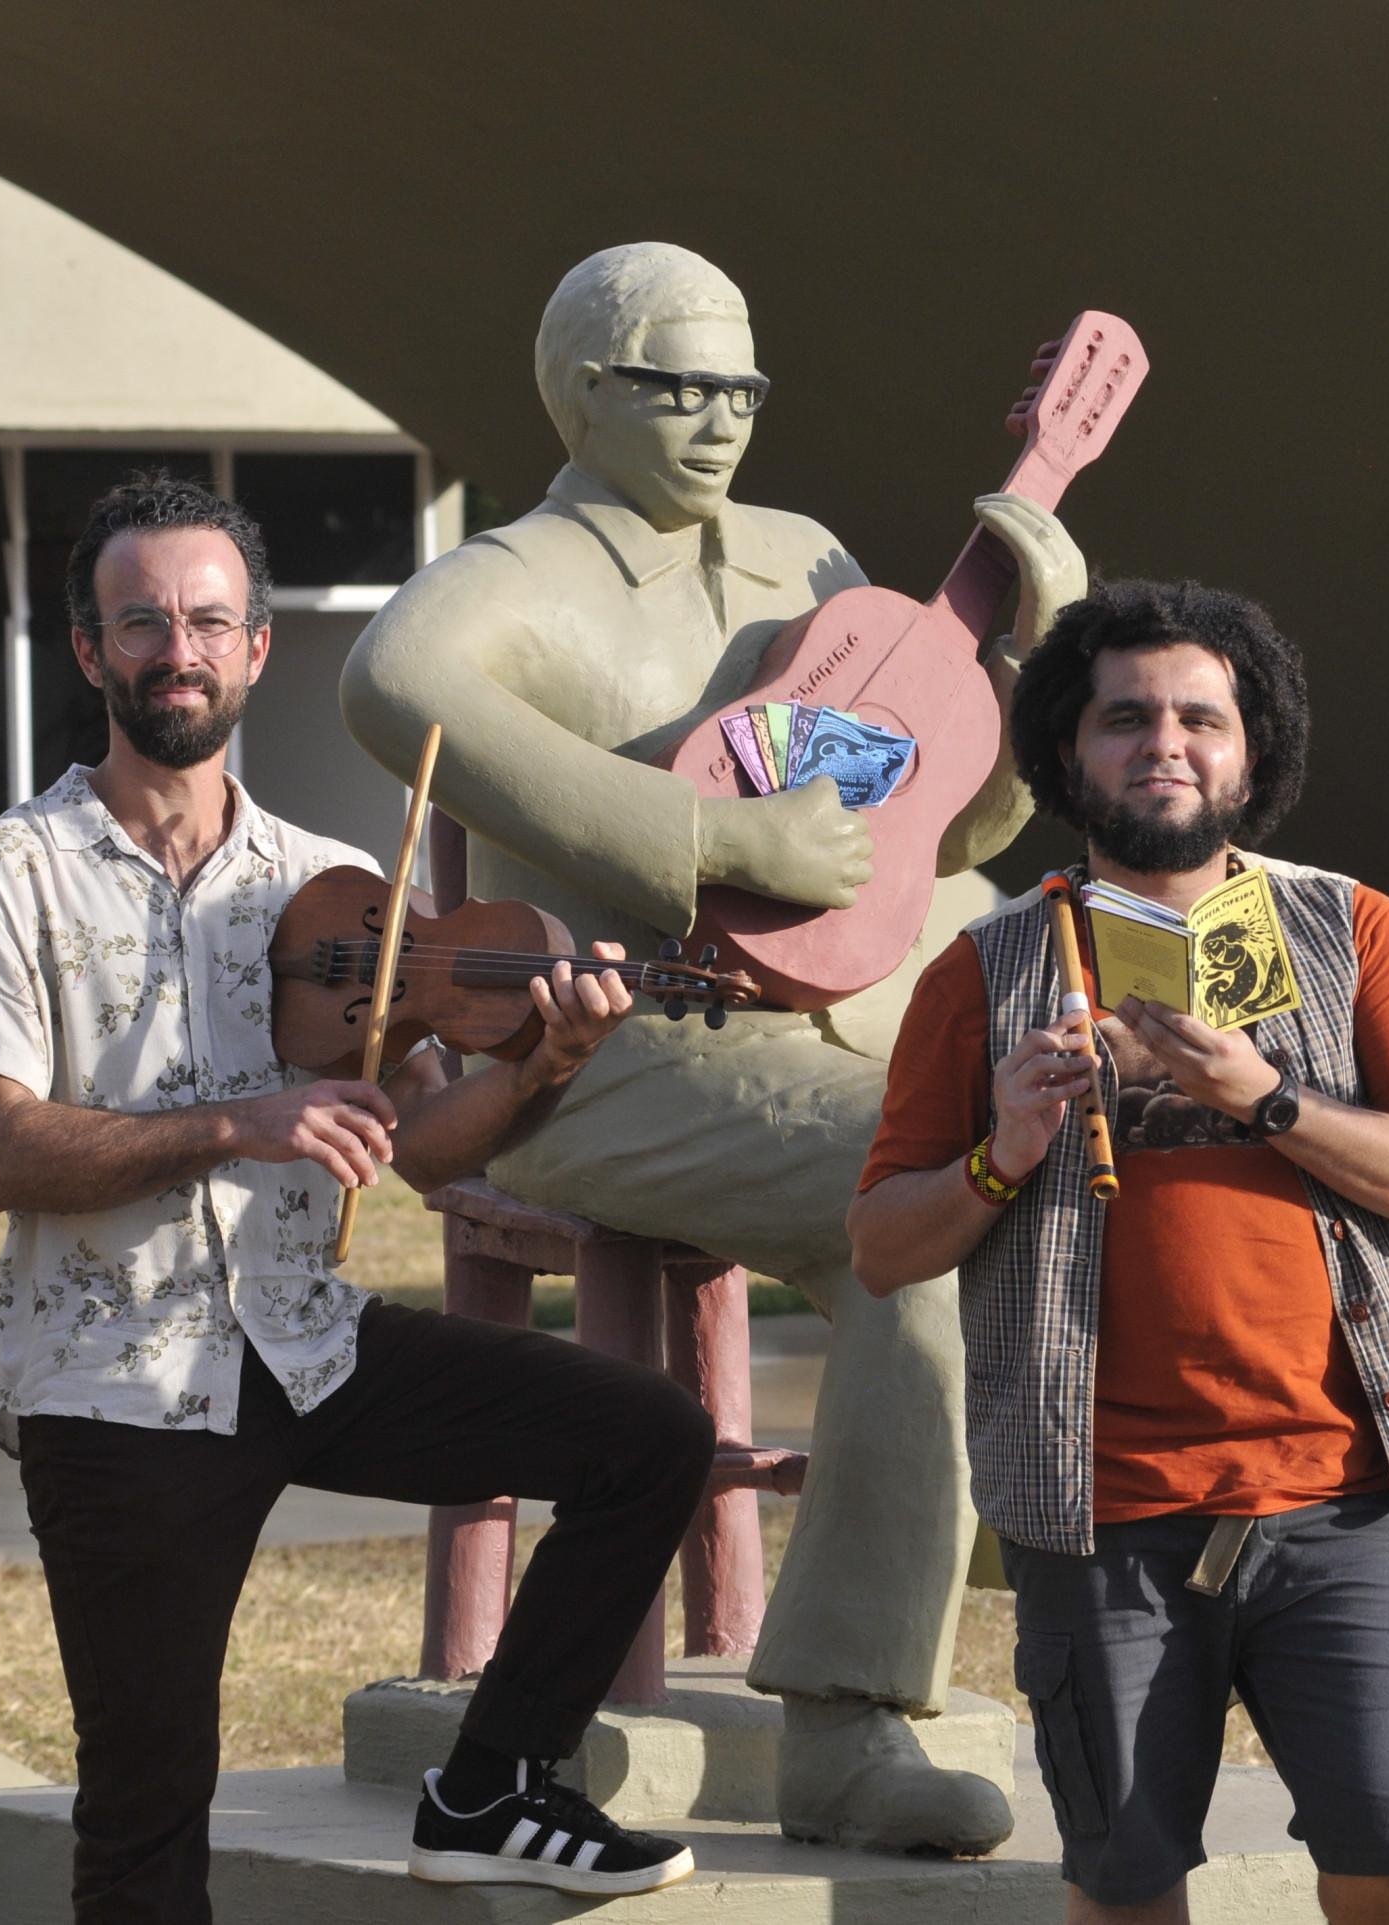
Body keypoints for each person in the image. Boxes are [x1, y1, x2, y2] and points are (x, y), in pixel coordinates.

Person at [339, 244, 1087, 1854]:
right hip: (595, 1054)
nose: (717, 418)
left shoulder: (805, 558)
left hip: (837, 1010)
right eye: (675, 385)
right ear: (581, 391)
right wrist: (703, 834)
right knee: (927, 1203)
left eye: (740, 387)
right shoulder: (520, 571)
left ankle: (1073, 1577)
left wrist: (1038, 653)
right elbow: (384, 677)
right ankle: (846, 1728)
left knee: (1105, 1111)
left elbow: (917, 813)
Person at [0, 474, 715, 1919]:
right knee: (150, 1812)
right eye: (142, 621)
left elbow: (418, 1147)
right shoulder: (8, 870)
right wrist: (240, 1120)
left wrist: (548, 1058)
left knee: (645, 1435)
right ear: (92, 652)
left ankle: (491, 1786)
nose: (179, 647)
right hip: (115, 1387)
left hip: (309, 1344)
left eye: (209, 620)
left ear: (256, 649)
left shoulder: (333, 884)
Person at [848, 580, 1389, 1924]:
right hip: (1102, 1512)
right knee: (1127, 1893)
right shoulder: (981, 974)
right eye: (1125, 716)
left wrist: (1268, 1096)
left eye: (1204, 716)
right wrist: (998, 1155)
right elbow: (881, 1246)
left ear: (1254, 748)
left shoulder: (1358, 931)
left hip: (1347, 1494)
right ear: (1070, 753)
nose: (1167, 742)